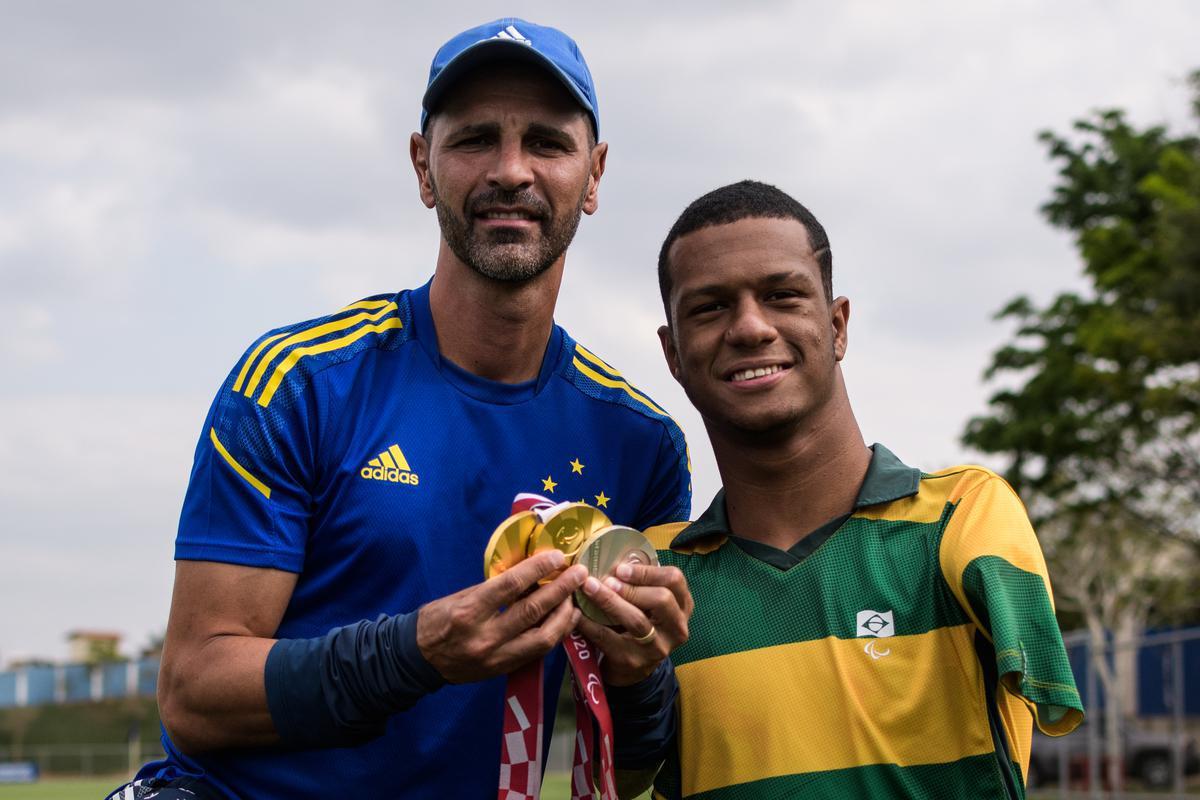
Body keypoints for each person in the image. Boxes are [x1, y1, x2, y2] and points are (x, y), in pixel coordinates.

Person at [110, 19, 692, 800]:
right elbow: (193, 691)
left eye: (547, 143)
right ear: (424, 167)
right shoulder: (297, 383)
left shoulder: (642, 442)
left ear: (594, 176)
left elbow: (634, 764)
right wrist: (418, 653)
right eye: (475, 139)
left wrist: (639, 674)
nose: (511, 170)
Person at [633, 180, 1084, 799]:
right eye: (710, 308)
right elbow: (625, 774)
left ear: (837, 325)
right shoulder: (658, 576)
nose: (750, 327)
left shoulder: (961, 516)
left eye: (782, 295)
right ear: (673, 354)